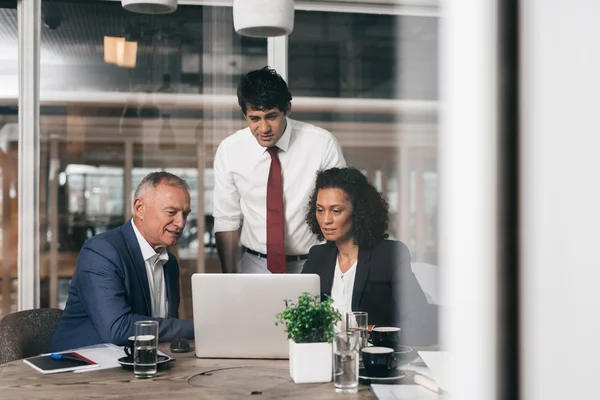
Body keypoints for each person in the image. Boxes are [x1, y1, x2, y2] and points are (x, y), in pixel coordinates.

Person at [213, 66, 346, 274]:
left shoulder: (322, 144)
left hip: (313, 263)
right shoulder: (230, 150)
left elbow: (342, 208)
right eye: (254, 118)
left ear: (287, 109)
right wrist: (230, 279)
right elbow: (226, 220)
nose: (264, 128)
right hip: (254, 264)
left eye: (271, 116)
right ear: (244, 114)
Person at [50, 172, 194, 352]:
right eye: (171, 212)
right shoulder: (101, 251)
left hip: (139, 364)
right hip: (80, 368)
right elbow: (117, 329)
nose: (180, 223)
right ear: (140, 208)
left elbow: (164, 330)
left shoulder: (169, 262)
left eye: (185, 214)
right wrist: (193, 329)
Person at [302, 167, 437, 345]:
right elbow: (302, 321)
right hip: (322, 357)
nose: (326, 220)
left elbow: (420, 325)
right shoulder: (317, 257)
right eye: (320, 210)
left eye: (336, 211)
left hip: (373, 360)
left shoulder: (388, 255)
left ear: (358, 211)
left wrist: (366, 331)